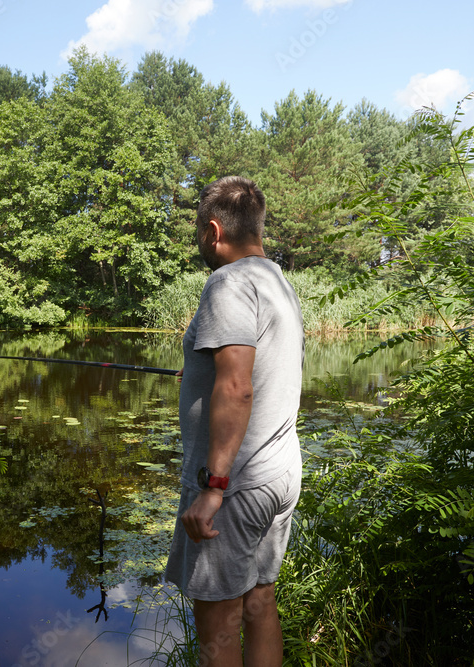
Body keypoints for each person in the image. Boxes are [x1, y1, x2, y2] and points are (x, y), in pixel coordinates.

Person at [165, 176, 304, 667]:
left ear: (214, 230)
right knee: (259, 602)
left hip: (238, 485)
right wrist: (201, 371)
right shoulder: (276, 280)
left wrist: (214, 486)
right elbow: (250, 369)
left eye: (199, 232)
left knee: (218, 627)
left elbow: (237, 386)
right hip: (280, 473)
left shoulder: (228, 281)